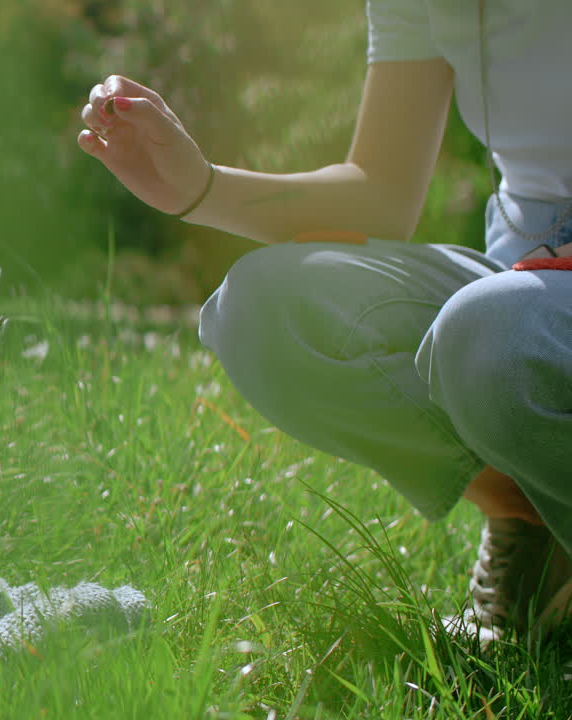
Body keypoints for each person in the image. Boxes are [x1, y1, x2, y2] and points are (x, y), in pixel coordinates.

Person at [78, 0, 572, 639]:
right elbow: (382, 193)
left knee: (490, 333)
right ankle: (534, 525)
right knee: (263, 311)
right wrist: (200, 188)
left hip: (526, 302)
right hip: (527, 266)